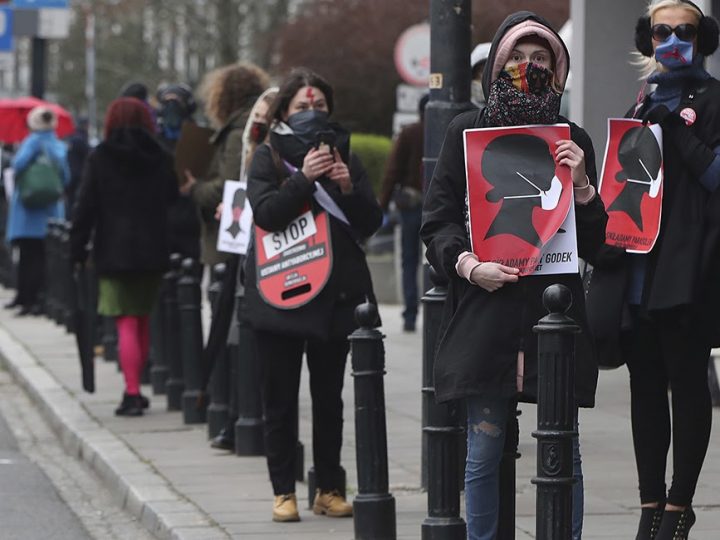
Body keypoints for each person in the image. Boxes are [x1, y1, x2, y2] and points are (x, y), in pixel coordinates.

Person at [421, 12, 608, 540]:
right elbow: (437, 224)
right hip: (487, 314)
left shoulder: (573, 139)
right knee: (482, 446)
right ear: (498, 66)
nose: (530, 68)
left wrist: (586, 188)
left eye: (542, 59)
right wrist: (468, 267)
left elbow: (597, 247)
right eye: (519, 59)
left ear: (559, 68)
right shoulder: (466, 132)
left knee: (562, 449)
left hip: (555, 318)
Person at [586, 2, 720, 538]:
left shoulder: (714, 100)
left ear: (701, 37)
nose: (672, 39)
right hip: (637, 264)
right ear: (648, 39)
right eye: (661, 30)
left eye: (683, 30)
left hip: (687, 267)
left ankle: (678, 506)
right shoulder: (639, 101)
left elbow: (715, 178)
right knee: (645, 385)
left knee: (686, 382)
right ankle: (649, 504)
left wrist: (678, 133)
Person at [245, 68, 382, 522]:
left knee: (330, 399)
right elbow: (267, 214)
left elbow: (368, 224)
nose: (311, 113)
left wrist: (345, 187)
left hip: (336, 300)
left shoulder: (347, 156)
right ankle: (283, 489)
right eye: (302, 107)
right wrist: (303, 179)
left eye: (318, 106)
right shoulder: (266, 158)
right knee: (279, 399)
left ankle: (329, 487)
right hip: (280, 294)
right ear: (284, 111)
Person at [70, 97, 178, 416]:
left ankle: (131, 392)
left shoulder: (101, 156)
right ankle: (137, 386)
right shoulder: (159, 155)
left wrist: (76, 249)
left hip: (113, 249)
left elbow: (85, 206)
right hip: (152, 248)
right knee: (142, 317)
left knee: (125, 321)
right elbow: (171, 196)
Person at [207, 87, 278, 452]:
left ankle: (248, 420)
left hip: (269, 253)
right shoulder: (250, 147)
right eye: (259, 114)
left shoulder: (277, 151)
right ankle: (238, 417)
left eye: (270, 113)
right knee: (237, 337)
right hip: (243, 252)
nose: (262, 119)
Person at [183, 62, 269, 268]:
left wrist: (195, 188)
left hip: (230, 240)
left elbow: (229, 189)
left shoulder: (238, 134)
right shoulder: (251, 128)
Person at [6, 106, 70, 315]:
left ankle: (27, 298)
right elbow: (66, 177)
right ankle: (42, 298)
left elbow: (18, 164)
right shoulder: (58, 145)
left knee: (27, 256)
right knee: (45, 257)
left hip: (28, 210)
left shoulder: (32, 142)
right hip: (50, 210)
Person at [378, 94, 428, 332]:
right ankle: (437, 311)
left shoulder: (409, 133)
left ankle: (410, 314)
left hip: (410, 207)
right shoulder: (448, 130)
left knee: (409, 261)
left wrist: (381, 206)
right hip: (439, 206)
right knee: (440, 260)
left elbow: (392, 172)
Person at [156, 83, 201, 261]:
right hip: (162, 224)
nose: (172, 107)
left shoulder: (199, 140)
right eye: (167, 102)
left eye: (177, 102)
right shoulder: (153, 142)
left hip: (191, 224)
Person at [65, 117, 91, 213]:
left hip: (70, 172)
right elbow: (88, 154)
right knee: (77, 199)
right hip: (79, 173)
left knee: (70, 198)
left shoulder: (73, 137)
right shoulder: (81, 139)